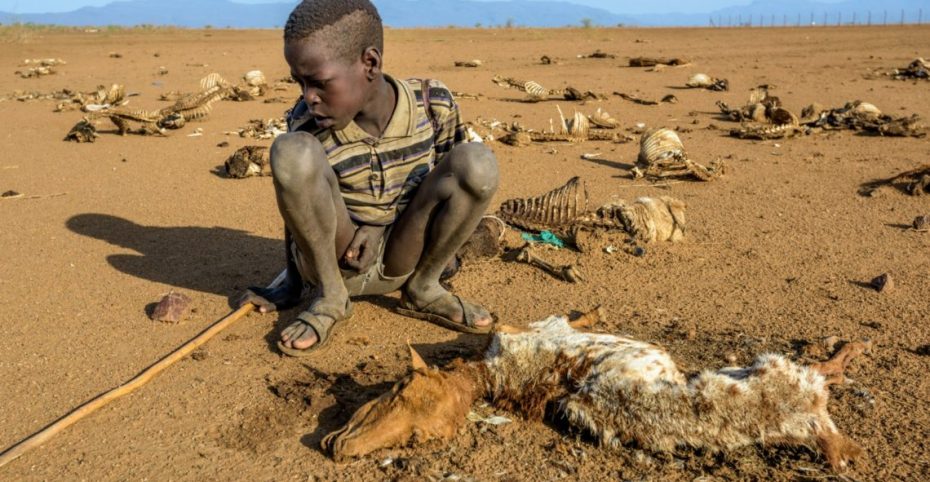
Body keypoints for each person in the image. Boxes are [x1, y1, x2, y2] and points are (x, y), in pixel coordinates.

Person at [241, 0, 499, 356]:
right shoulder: (306, 123)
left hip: (403, 257)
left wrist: (381, 226)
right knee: (290, 151)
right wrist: (291, 285)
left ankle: (425, 288)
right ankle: (332, 300)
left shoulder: (431, 105)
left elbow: (445, 186)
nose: (308, 97)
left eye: (318, 83)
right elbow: (298, 209)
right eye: (299, 83)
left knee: (478, 162)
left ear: (370, 64)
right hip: (338, 262)